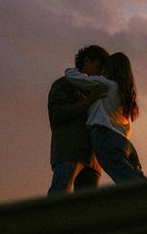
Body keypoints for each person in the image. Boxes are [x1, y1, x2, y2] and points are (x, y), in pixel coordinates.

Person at [65, 52, 146, 184]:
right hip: (125, 143)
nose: (102, 71)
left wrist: (70, 70)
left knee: (127, 182)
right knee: (137, 178)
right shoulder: (126, 93)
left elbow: (76, 79)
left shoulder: (106, 84)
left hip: (106, 138)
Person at [47, 45, 110, 195]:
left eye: (104, 70)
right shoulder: (63, 84)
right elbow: (57, 114)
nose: (101, 73)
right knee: (58, 198)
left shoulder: (98, 88)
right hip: (70, 151)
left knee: (87, 211)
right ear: (86, 61)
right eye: (98, 66)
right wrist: (89, 100)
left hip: (93, 158)